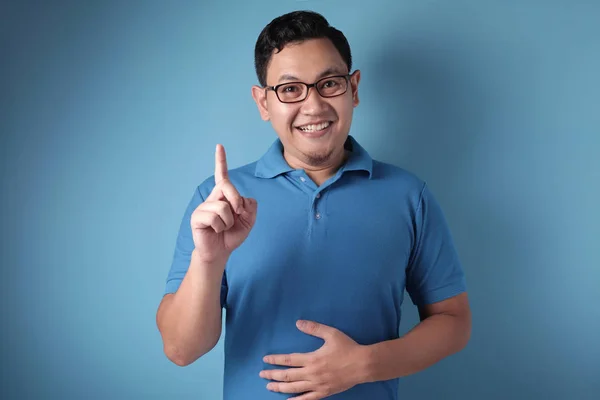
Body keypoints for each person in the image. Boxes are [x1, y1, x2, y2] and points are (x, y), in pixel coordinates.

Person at [156, 10, 471, 400]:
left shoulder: (409, 195)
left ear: (353, 88)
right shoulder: (218, 200)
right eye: (290, 89)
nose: (314, 105)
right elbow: (181, 350)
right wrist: (208, 260)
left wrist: (364, 365)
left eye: (329, 83)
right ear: (263, 102)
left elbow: (453, 321)